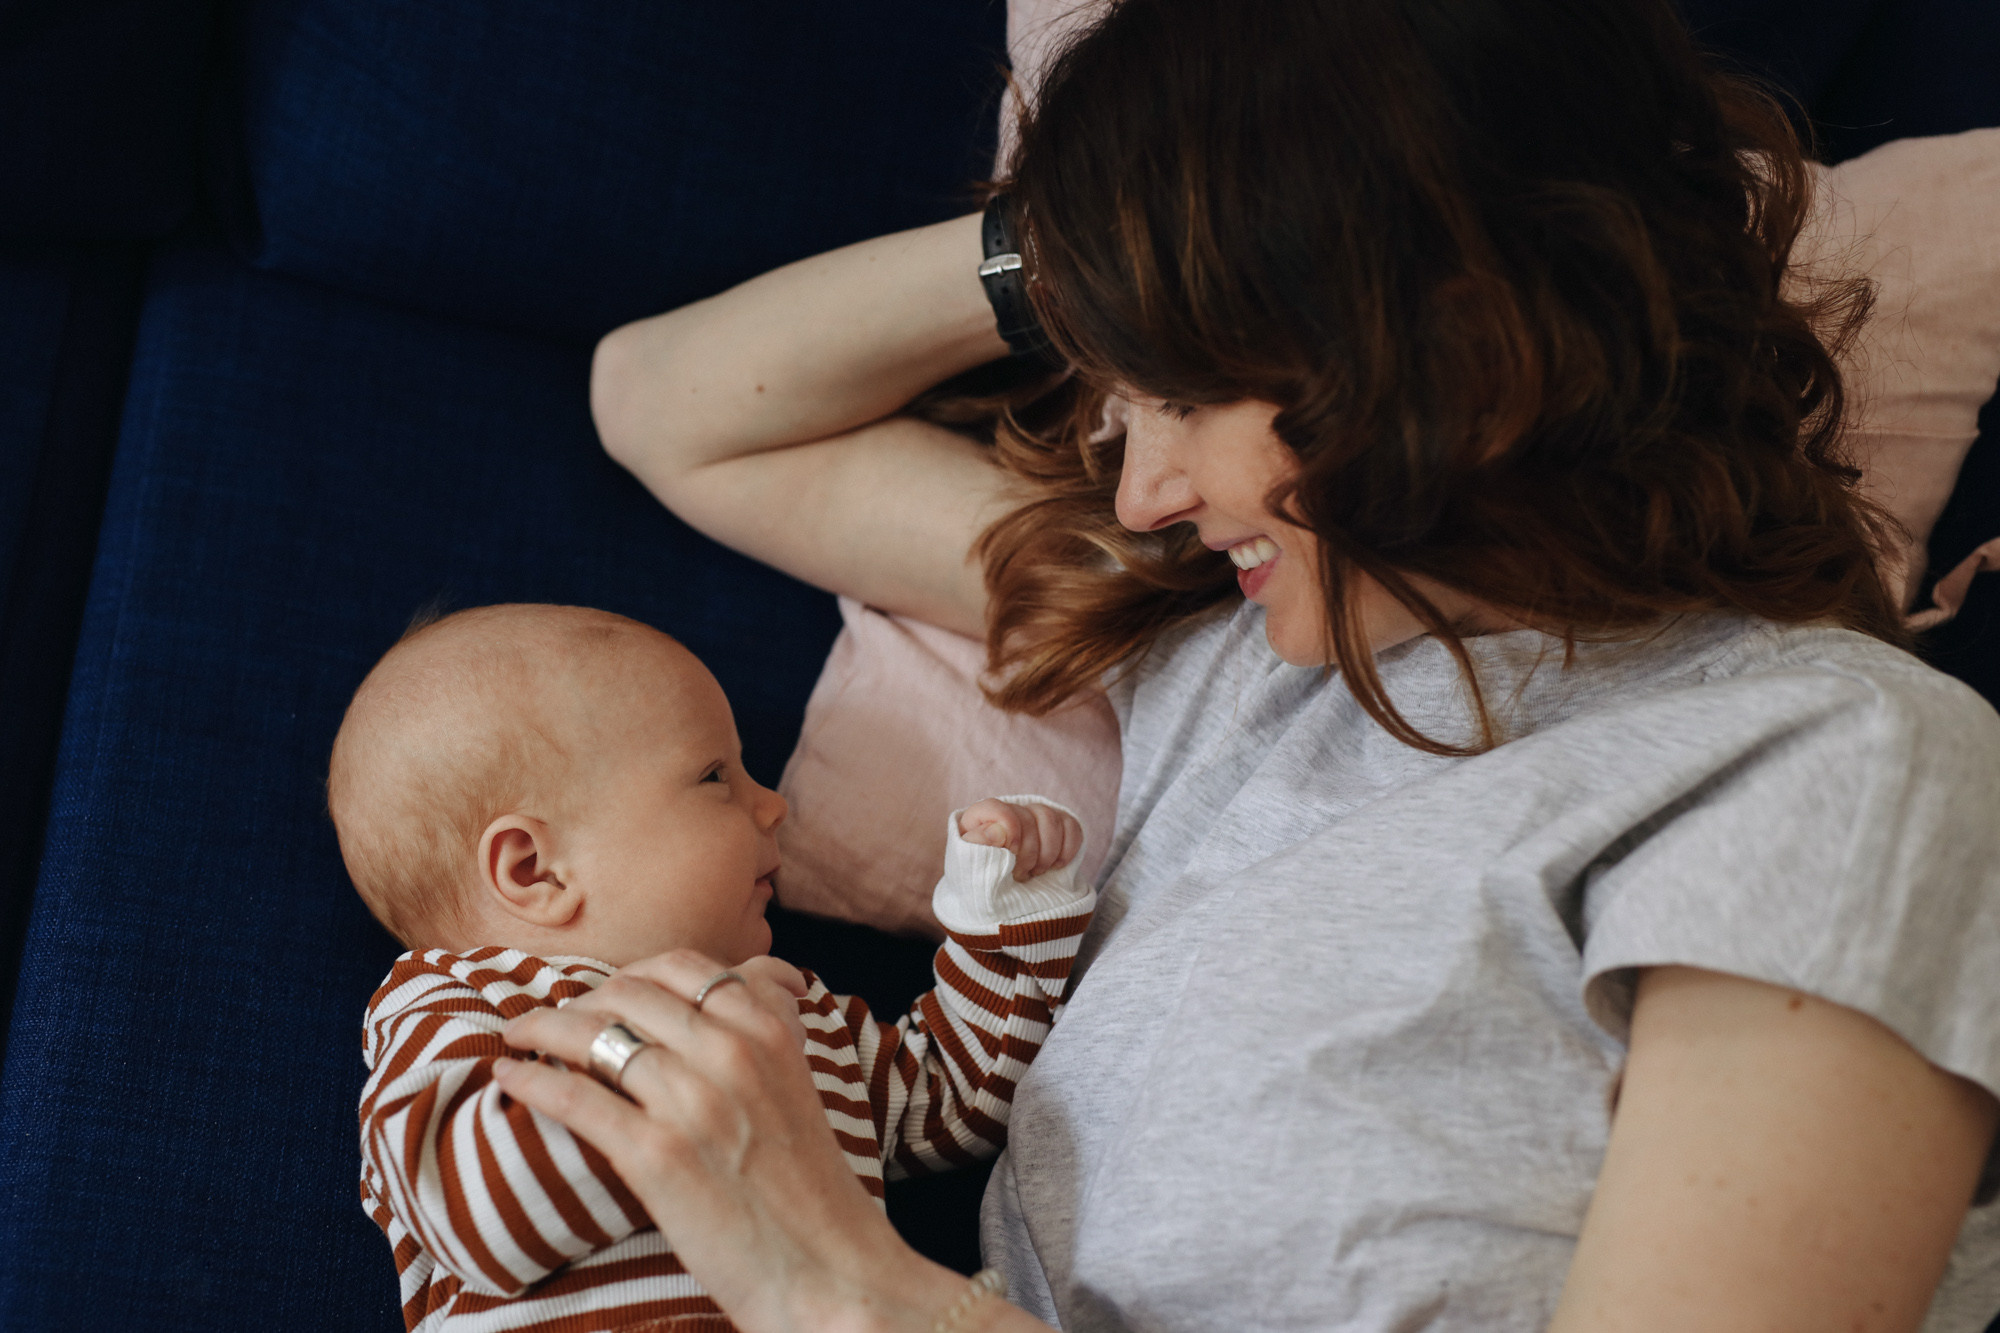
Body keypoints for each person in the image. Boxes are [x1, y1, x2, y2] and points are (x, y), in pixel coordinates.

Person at [494, 1, 2000, 1330]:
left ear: (1459, 364)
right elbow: (667, 404)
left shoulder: (1835, 764)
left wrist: (840, 1288)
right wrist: (1079, 253)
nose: (1139, 488)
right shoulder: (1231, 645)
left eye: (1183, 396)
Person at [327, 603, 1094, 1333]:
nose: (774, 804)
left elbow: (951, 1103)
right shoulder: (460, 999)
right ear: (535, 869)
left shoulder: (797, 1010)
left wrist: (1007, 923)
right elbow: (472, 1214)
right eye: (714, 777)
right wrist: (677, 1061)